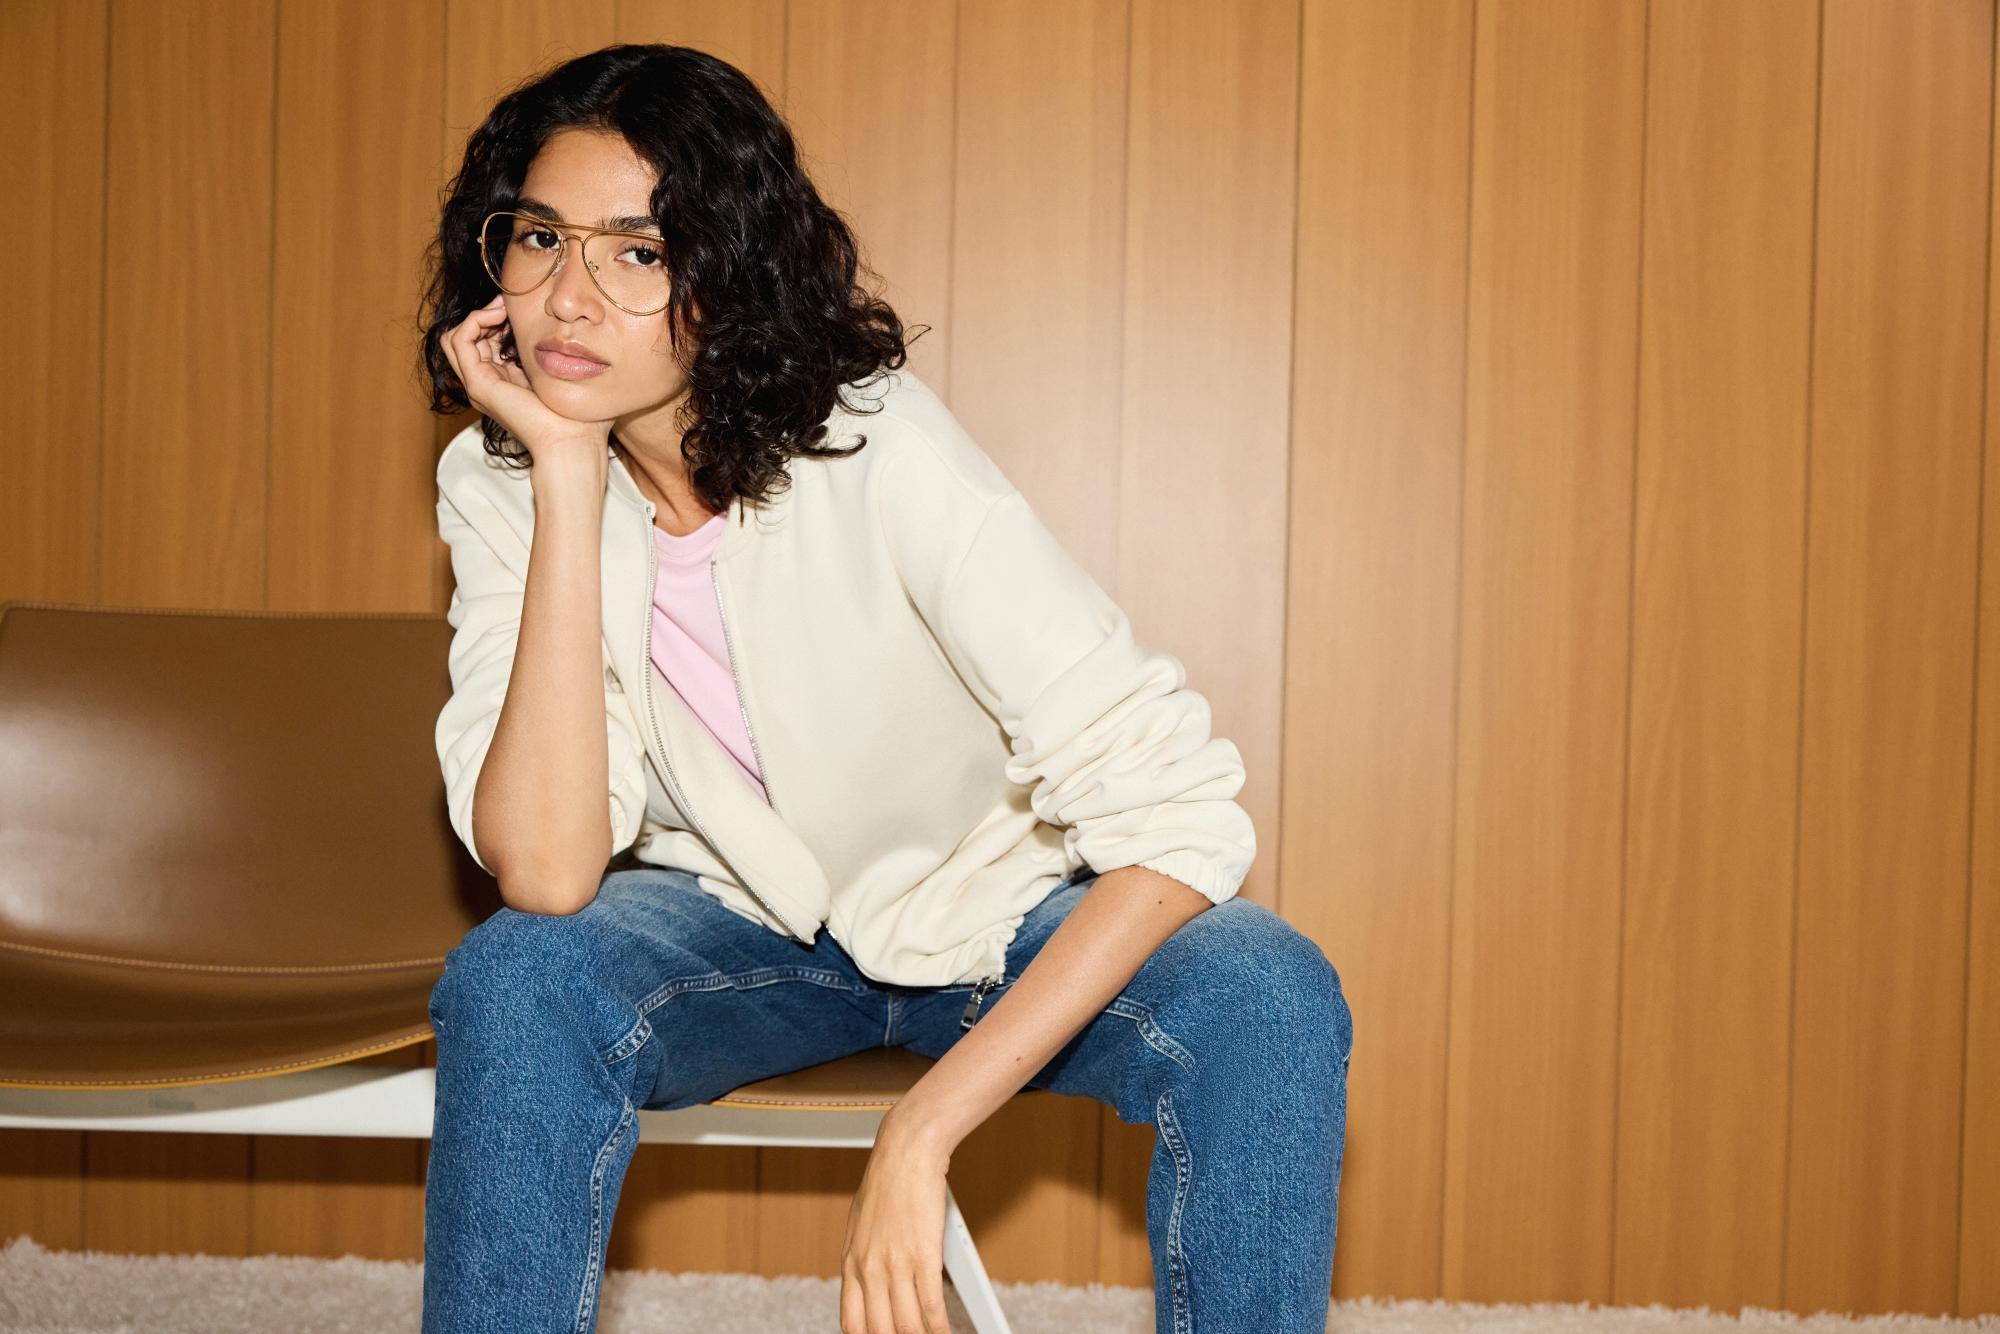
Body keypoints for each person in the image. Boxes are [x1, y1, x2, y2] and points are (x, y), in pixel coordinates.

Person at [418, 43, 1351, 1334]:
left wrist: (925, 1128)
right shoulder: (498, 484)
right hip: (737, 923)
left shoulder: (873, 442)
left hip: (994, 909)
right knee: (515, 975)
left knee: (1268, 988)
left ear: (730, 273)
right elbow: (548, 867)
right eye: (539, 239)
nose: (570, 298)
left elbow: (1179, 814)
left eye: (640, 252)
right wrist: (567, 480)